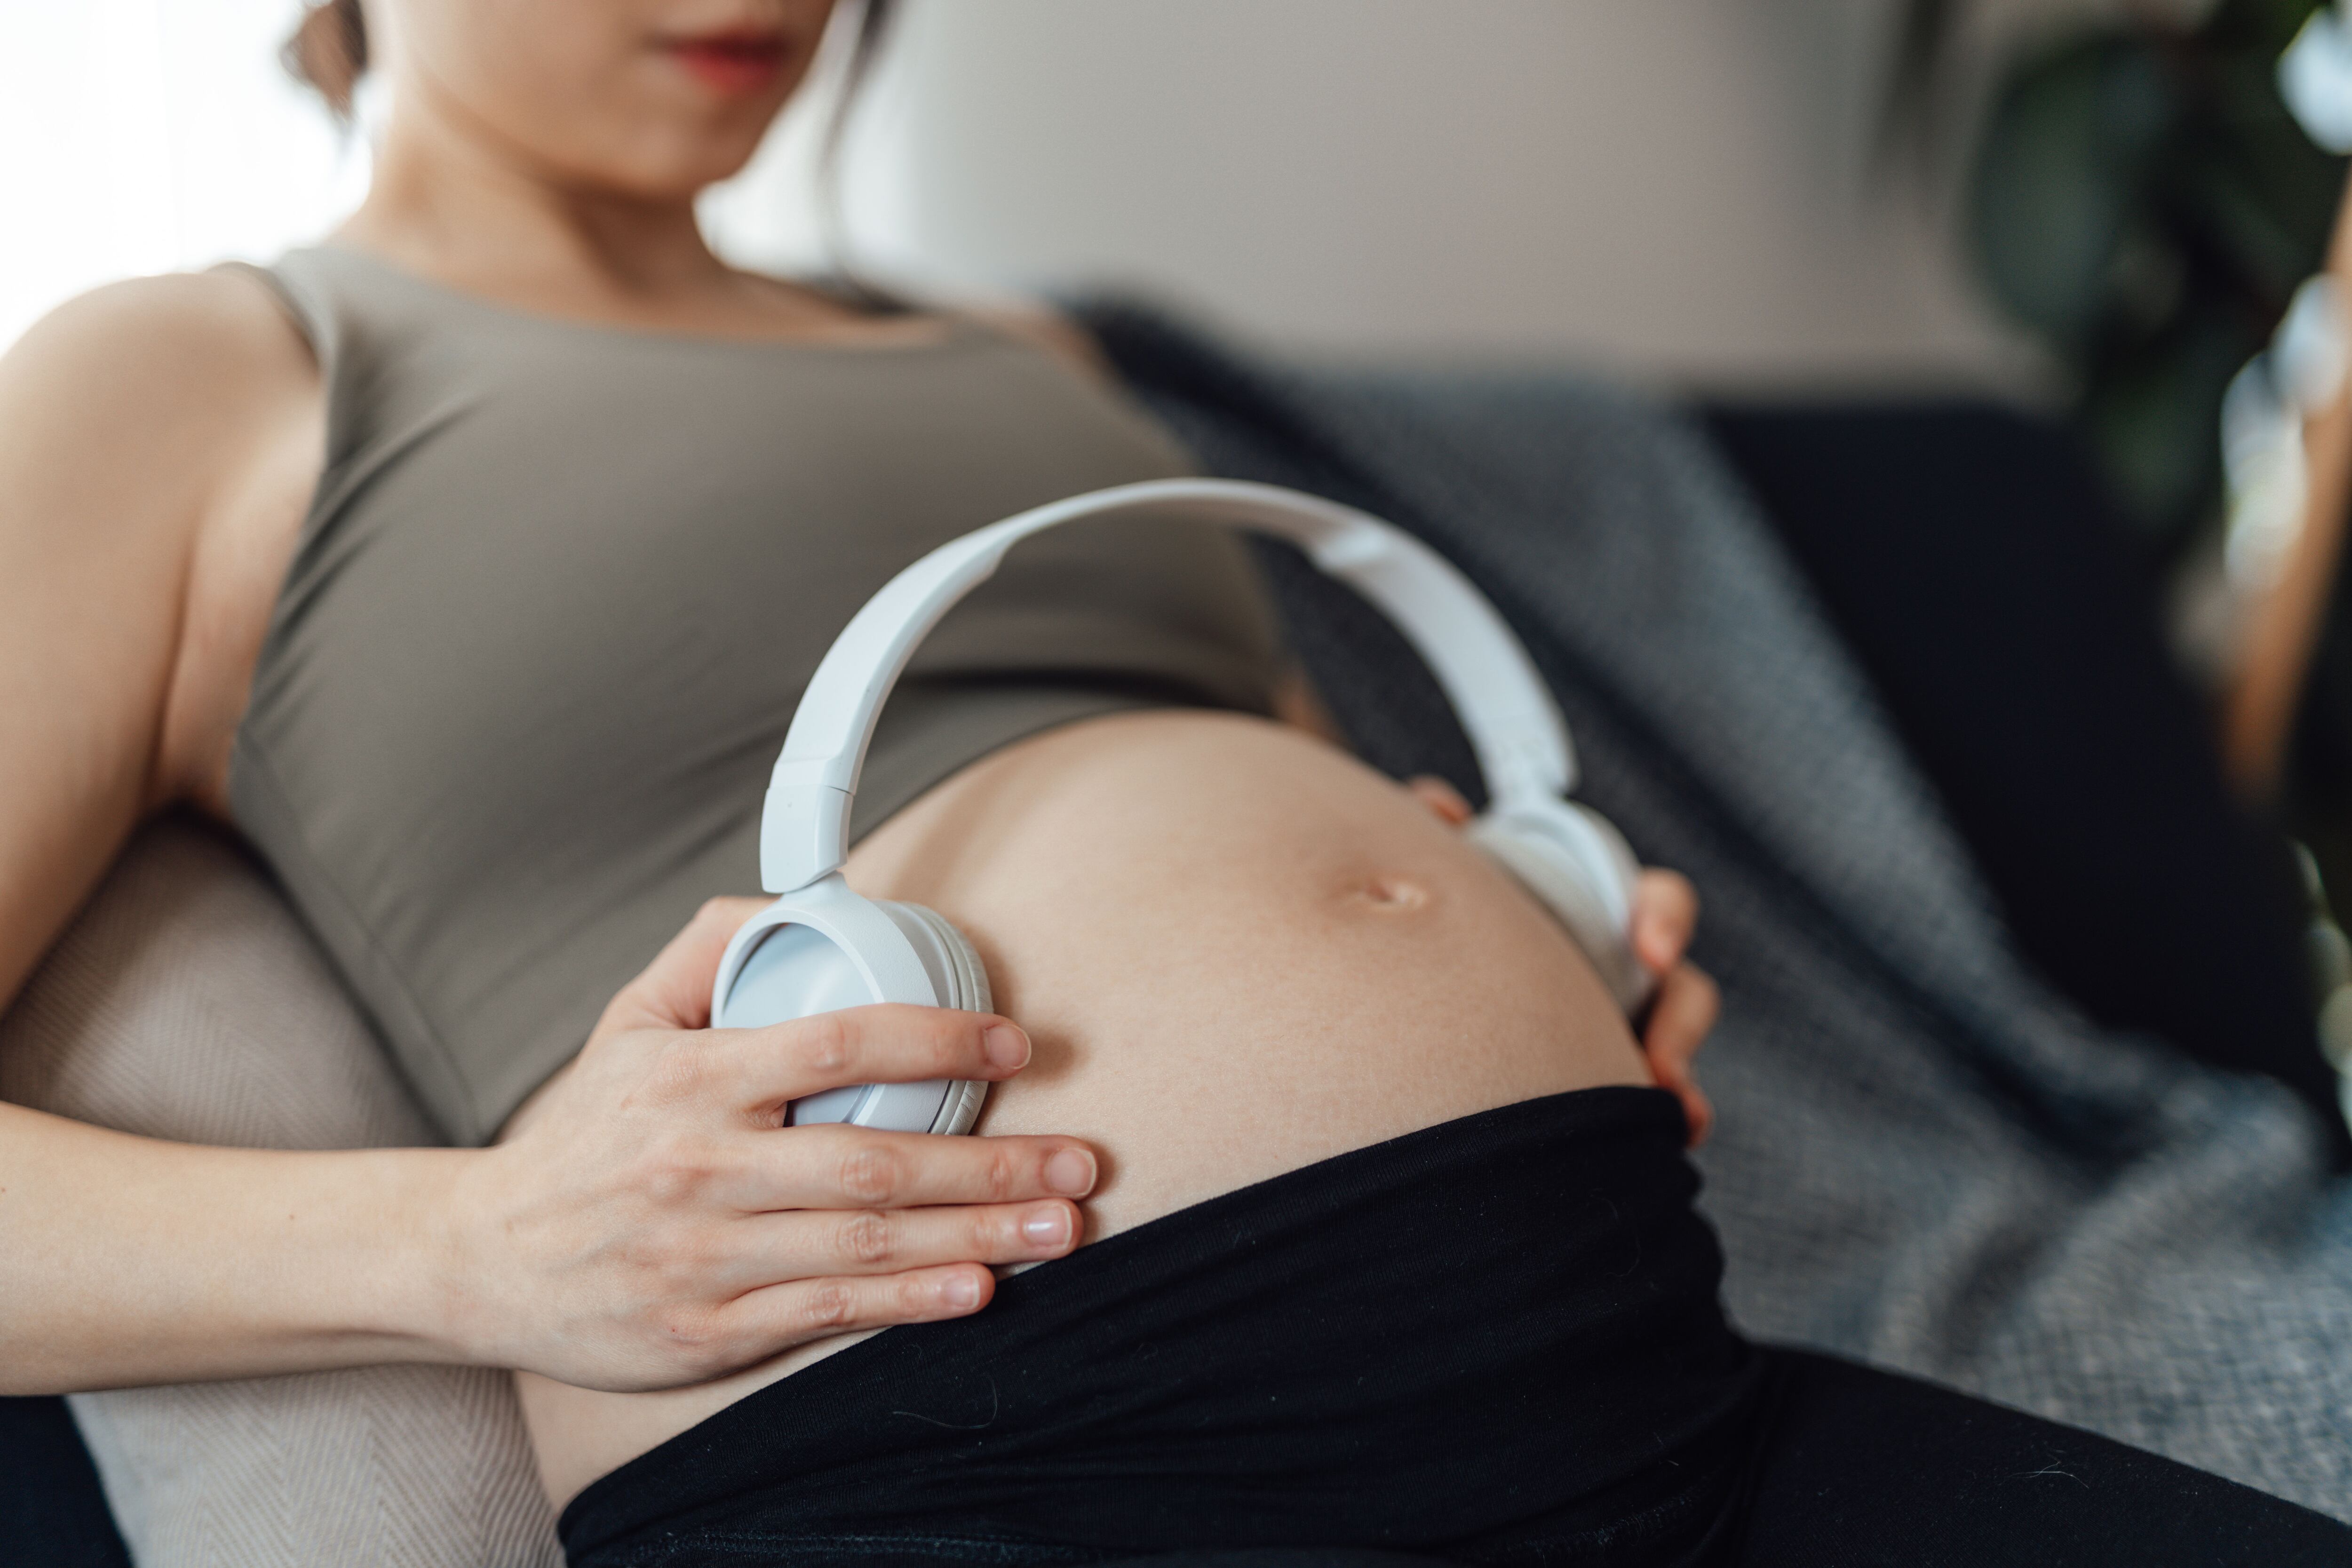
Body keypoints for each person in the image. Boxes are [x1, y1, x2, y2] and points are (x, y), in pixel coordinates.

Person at [1, 4, 2342, 1564]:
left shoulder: (1014, 354)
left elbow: (1276, 809)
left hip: (1608, 1333)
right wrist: (475, 1244)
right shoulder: (199, 375)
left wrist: (1517, 942)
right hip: (1040, 1445)